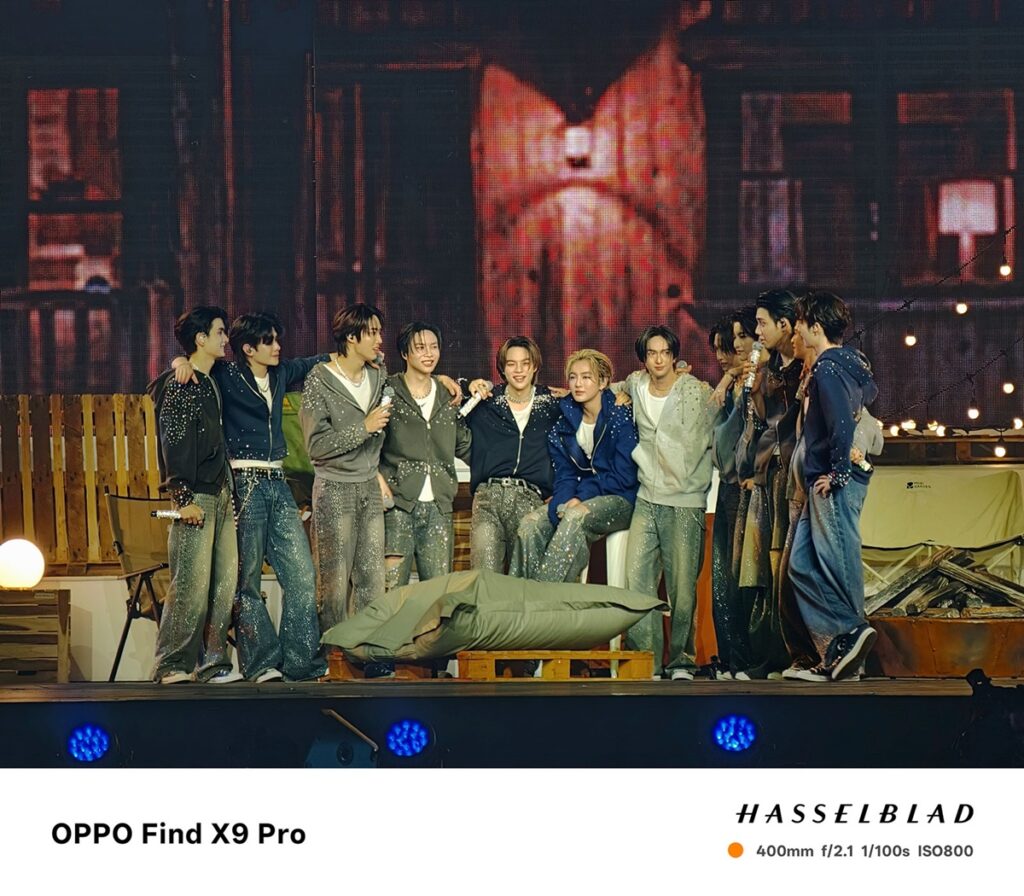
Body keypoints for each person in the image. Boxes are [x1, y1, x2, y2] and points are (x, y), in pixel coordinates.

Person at [172, 312, 329, 682]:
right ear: (248, 348)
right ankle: (261, 663)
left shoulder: (280, 373)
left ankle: (300, 662)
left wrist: (358, 357)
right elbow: (194, 362)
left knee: (302, 575)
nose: (277, 347)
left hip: (278, 481)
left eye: (277, 339)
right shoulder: (227, 375)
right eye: (269, 341)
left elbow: (317, 361)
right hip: (244, 483)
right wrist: (178, 361)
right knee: (247, 580)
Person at [617, 326, 720, 680]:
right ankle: (645, 660)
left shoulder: (696, 391)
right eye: (652, 353)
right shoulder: (635, 385)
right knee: (637, 579)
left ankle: (681, 662)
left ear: (675, 356)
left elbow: (721, 423)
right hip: (646, 497)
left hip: (685, 501)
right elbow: (603, 389)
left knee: (682, 587)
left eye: (665, 353)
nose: (658, 360)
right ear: (643, 359)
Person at [789, 290, 879, 680]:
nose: (796, 330)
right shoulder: (848, 364)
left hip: (833, 481)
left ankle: (848, 641)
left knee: (838, 567)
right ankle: (843, 643)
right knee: (801, 566)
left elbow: (842, 423)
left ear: (816, 327)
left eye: (800, 323)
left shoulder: (828, 367)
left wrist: (839, 472)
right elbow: (867, 396)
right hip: (823, 479)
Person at [149, 306, 240, 684]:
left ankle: (214, 663)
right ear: (201, 339)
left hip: (221, 492)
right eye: (219, 332)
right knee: (191, 584)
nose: (225, 339)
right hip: (196, 496)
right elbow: (174, 444)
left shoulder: (210, 379)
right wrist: (182, 498)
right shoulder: (181, 385)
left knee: (223, 584)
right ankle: (171, 663)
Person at [511, 349, 638, 583]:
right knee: (530, 525)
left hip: (621, 499)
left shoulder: (620, 416)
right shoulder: (563, 426)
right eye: (573, 377)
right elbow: (565, 476)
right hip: (581, 497)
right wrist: (560, 505)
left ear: (603, 382)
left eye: (586, 377)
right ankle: (522, 596)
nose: (578, 384)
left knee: (575, 516)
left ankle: (547, 596)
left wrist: (580, 497)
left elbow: (624, 477)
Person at [300, 304, 391, 632]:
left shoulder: (378, 374)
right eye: (373, 332)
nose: (380, 339)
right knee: (333, 583)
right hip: (334, 488)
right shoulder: (320, 379)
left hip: (369, 487)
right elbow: (316, 446)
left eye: (380, 331)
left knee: (372, 579)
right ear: (351, 337)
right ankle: (331, 653)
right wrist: (363, 428)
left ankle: (366, 650)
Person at [735, 289, 803, 678]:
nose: (757, 332)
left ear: (785, 324)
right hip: (768, 475)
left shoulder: (809, 367)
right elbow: (758, 423)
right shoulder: (766, 368)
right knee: (763, 569)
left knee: (789, 566)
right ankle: (770, 654)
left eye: (762, 324)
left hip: (796, 477)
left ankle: (800, 653)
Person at [379, 322, 472, 588]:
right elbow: (371, 443)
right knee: (391, 590)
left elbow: (464, 445)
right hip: (398, 504)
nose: (429, 354)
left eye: (433, 347)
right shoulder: (388, 390)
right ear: (404, 353)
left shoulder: (447, 395)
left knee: (437, 594)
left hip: (439, 506)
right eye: (420, 348)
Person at [460, 336, 563, 573]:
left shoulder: (552, 403)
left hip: (530, 499)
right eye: (511, 364)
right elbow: (450, 412)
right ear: (502, 368)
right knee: (484, 578)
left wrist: (561, 490)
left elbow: (584, 425)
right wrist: (467, 385)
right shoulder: (486, 401)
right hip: (488, 498)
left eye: (525, 363)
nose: (519, 370)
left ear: (534, 366)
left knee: (525, 581)